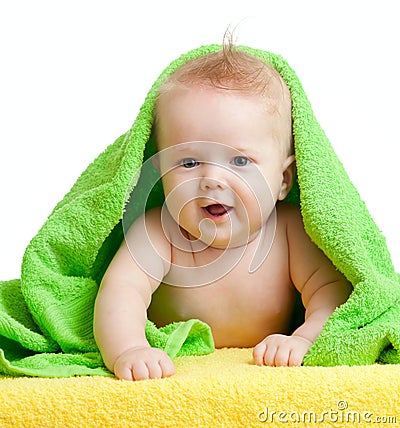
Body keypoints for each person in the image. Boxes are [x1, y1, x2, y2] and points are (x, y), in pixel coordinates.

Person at [93, 41, 352, 381]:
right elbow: (120, 294)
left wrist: (303, 338)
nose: (212, 179)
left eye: (240, 161)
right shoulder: (158, 232)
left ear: (283, 180)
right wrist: (130, 348)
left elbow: (332, 294)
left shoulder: (291, 232)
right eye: (188, 161)